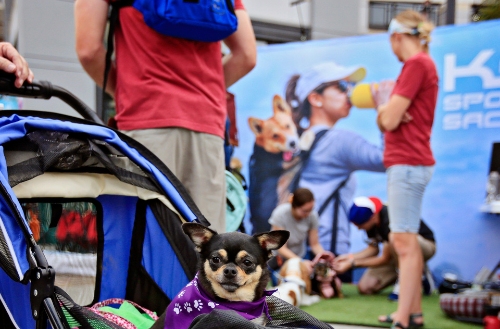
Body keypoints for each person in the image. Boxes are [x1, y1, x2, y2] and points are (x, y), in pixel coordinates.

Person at [74, 0, 256, 233]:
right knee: (205, 245)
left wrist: (125, 92)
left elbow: (89, 51)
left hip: (146, 122)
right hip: (206, 127)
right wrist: (206, 94)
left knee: (144, 241)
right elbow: (247, 55)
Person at [375, 10, 438, 329]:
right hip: (411, 162)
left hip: (408, 162)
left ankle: (402, 324)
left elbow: (390, 119)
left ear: (397, 36)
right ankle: (412, 312)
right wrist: (389, 115)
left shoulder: (416, 65)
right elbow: (391, 120)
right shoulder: (422, 65)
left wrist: (385, 109)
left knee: (403, 243)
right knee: (406, 240)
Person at [283, 62, 387, 265]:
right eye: (341, 87)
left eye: (350, 87)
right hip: (328, 252)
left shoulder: (298, 141)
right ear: (315, 98)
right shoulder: (340, 141)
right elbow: (389, 159)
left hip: (297, 248)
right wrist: (384, 109)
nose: (349, 93)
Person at [333, 197, 436, 319]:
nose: (359, 228)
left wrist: (352, 264)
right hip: (397, 256)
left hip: (424, 246)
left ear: (373, 217)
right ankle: (414, 272)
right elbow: (373, 250)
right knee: (365, 287)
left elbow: (384, 259)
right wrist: (348, 258)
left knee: (394, 238)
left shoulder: (390, 218)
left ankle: (410, 275)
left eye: (360, 225)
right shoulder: (371, 222)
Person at [268, 188, 331, 275]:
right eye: (305, 211)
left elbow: (315, 244)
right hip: (281, 259)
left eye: (311, 210)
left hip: (301, 255)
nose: (308, 214)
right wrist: (300, 262)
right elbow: (282, 248)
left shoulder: (312, 216)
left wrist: (323, 256)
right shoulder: (280, 214)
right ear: (294, 206)